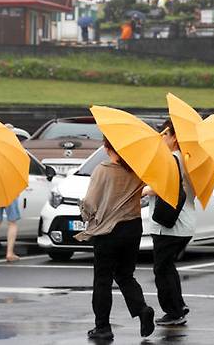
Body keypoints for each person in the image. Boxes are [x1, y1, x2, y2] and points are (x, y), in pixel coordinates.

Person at [74, 137, 154, 340]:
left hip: (108, 231)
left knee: (103, 279)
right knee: (126, 275)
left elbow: (90, 203)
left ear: (107, 147)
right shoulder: (137, 169)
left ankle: (102, 326)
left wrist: (84, 210)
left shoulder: (103, 169)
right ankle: (142, 309)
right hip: (133, 227)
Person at [144, 120, 196, 326]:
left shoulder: (171, 159)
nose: (162, 138)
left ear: (174, 137)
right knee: (167, 267)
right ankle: (178, 306)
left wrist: (145, 190)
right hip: (184, 223)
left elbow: (162, 186)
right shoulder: (186, 159)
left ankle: (173, 311)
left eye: (164, 134)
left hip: (170, 225)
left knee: (161, 269)